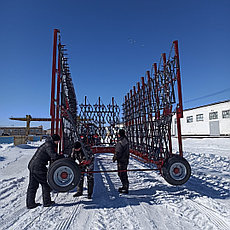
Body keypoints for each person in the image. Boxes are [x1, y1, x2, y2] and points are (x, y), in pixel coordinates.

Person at [26, 134, 61, 209]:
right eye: (58, 141)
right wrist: (61, 156)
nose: (58, 143)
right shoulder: (49, 145)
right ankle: (47, 202)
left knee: (32, 186)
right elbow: (53, 155)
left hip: (32, 165)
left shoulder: (47, 144)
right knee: (46, 184)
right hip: (38, 167)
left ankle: (30, 203)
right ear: (54, 140)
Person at [113, 129, 130, 194]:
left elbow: (118, 151)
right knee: (122, 173)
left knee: (122, 174)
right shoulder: (125, 140)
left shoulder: (121, 141)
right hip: (124, 159)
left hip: (122, 160)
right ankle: (124, 186)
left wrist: (115, 157)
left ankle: (125, 187)